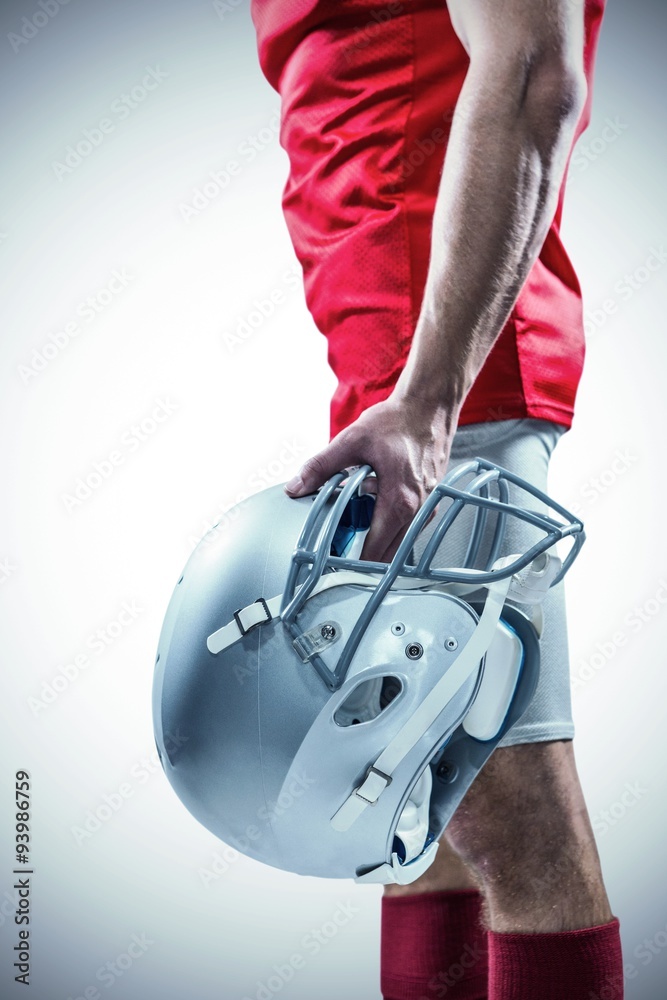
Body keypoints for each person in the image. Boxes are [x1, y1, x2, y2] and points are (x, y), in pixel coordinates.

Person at [249, 0, 623, 997]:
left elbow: (535, 70)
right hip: (404, 383)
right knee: (416, 816)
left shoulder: (439, 398)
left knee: (513, 819)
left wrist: (430, 400)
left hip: (450, 396)